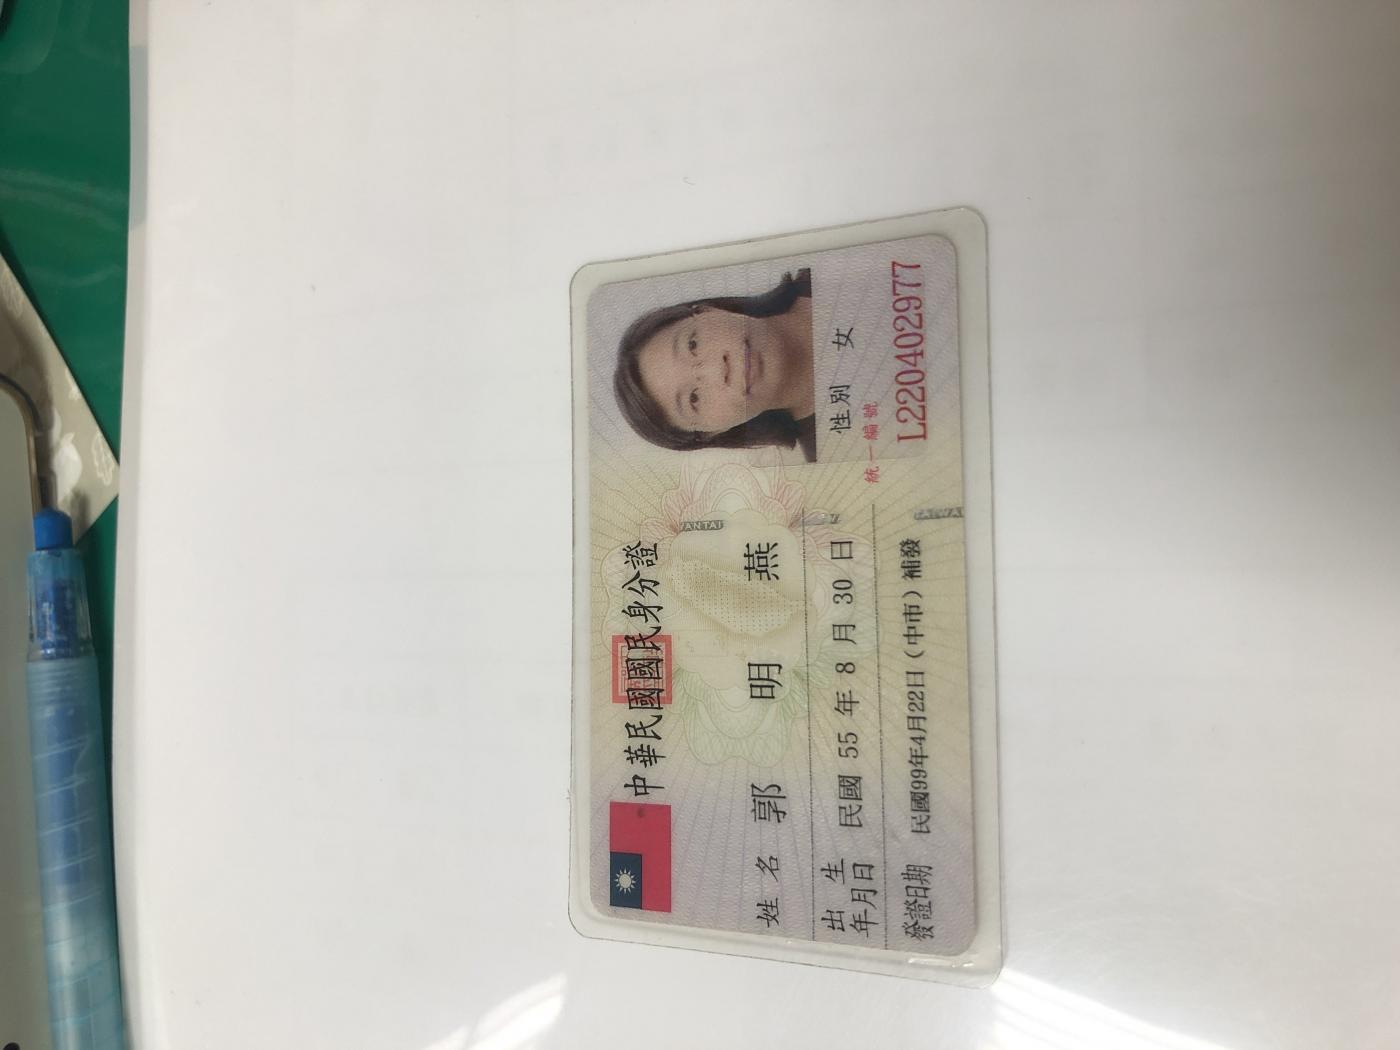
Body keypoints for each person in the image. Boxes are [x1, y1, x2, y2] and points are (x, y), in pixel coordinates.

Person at [612, 269, 816, 461]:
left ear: (707, 311)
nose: (718, 370)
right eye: (694, 398)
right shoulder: (828, 450)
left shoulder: (820, 268)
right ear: (713, 431)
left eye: (692, 345)